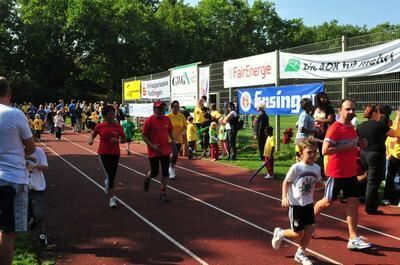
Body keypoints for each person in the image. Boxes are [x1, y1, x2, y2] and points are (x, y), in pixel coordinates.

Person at [313, 98, 372, 250]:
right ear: (340, 110)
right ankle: (308, 221)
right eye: (348, 109)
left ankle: (353, 238)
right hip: (336, 173)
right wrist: (348, 147)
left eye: (353, 108)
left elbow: (351, 144)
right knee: (327, 202)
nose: (351, 111)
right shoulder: (334, 128)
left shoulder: (352, 127)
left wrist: (359, 144)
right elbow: (325, 150)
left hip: (350, 172)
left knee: (353, 202)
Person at [0, 76, 36, 265]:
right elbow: (31, 147)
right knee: (7, 231)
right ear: (9, 93)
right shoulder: (14, 114)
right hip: (11, 178)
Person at [272, 140, 321, 265]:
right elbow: (286, 182)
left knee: (310, 230)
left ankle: (300, 253)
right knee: (297, 234)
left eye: (315, 152)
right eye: (309, 152)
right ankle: (280, 233)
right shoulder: (296, 168)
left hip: (309, 204)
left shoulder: (317, 168)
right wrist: (284, 197)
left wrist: (326, 186)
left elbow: (317, 182)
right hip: (296, 206)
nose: (313, 154)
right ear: (301, 153)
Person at [357, 105, 400, 214]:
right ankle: (371, 207)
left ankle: (361, 195)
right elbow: (394, 133)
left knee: (368, 177)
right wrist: (398, 117)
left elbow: (358, 139)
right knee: (374, 182)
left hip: (364, 154)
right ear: (375, 113)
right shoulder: (379, 125)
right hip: (375, 155)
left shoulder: (361, 125)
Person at [89, 105, 126, 208]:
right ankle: (112, 199)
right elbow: (93, 133)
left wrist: (118, 140)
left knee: (112, 176)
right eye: (110, 114)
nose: (112, 116)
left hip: (115, 154)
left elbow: (124, 139)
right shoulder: (100, 126)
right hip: (103, 153)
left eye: (113, 114)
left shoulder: (118, 126)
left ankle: (107, 182)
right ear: (105, 116)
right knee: (110, 176)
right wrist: (91, 139)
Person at [142, 101, 174, 202]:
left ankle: (163, 193)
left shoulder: (167, 119)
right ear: (154, 109)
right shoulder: (149, 120)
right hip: (154, 152)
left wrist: (173, 139)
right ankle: (148, 177)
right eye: (159, 109)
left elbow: (170, 131)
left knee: (165, 173)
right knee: (155, 173)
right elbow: (144, 135)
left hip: (165, 151)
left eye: (162, 109)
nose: (161, 110)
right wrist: (152, 146)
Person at [26, 147, 49, 246]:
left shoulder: (39, 151)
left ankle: (42, 236)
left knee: (39, 215)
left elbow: (45, 167)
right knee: (26, 215)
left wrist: (35, 166)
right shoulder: (17, 150)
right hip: (23, 187)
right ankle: (28, 240)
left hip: (37, 187)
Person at [167, 100, 187, 179]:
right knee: (174, 153)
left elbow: (185, 127)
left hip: (179, 139)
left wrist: (182, 133)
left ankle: (171, 167)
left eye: (177, 107)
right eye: (174, 107)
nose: (176, 108)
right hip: (170, 138)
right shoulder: (168, 117)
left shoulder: (181, 116)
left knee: (175, 155)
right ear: (171, 108)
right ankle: (171, 169)